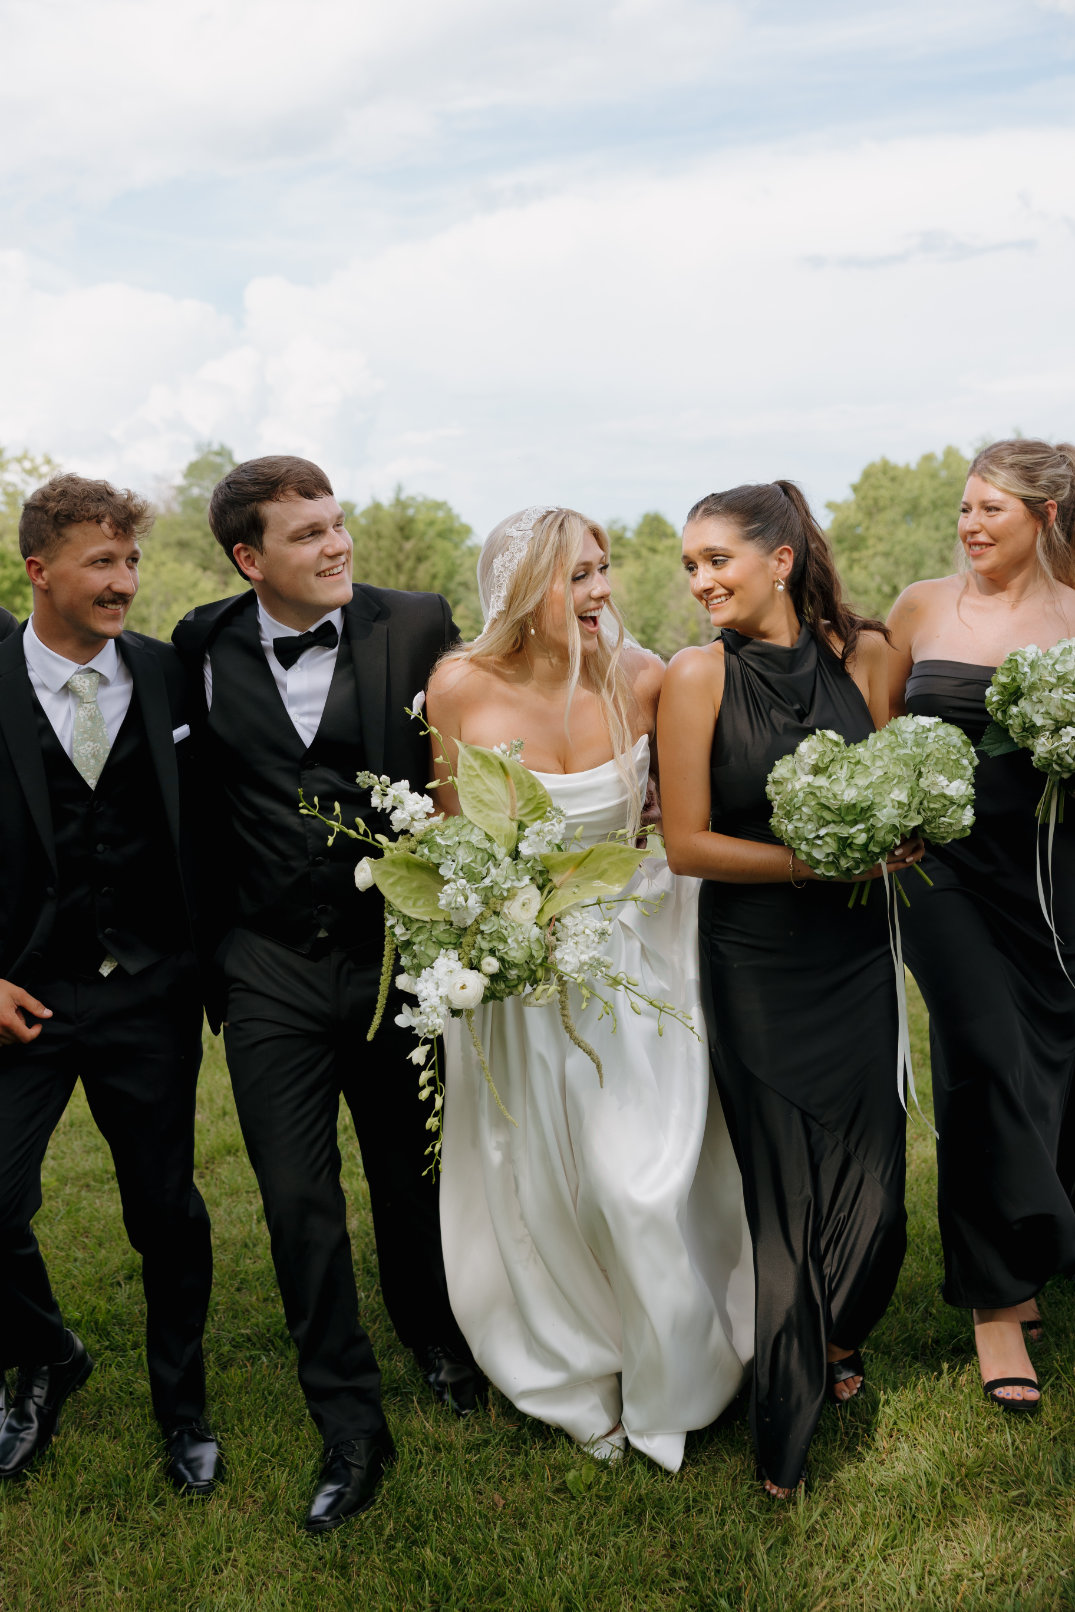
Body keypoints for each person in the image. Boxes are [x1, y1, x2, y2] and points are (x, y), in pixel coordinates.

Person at [171, 456, 483, 1535]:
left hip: (392, 958)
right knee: (298, 1201)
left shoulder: (417, 619)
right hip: (264, 971)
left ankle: (437, 1336)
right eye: (307, 536)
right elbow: (192, 806)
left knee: (412, 1177)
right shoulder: (198, 643)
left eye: (337, 524)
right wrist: (217, 961)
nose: (337, 545)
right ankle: (349, 1423)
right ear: (250, 558)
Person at [429, 505, 753, 1471]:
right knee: (544, 1181)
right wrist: (503, 929)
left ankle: (675, 1379)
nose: (600, 591)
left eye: (602, 569)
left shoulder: (645, 677)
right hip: (521, 970)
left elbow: (672, 816)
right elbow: (451, 838)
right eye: (577, 575)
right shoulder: (457, 687)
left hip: (634, 952)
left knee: (637, 1180)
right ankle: (575, 1362)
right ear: (520, 590)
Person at [658, 481, 920, 1497]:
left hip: (855, 956)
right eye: (688, 565)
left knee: (880, 1191)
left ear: (778, 558)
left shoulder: (868, 655)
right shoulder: (694, 680)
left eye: (716, 558)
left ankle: (840, 1333)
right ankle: (786, 1423)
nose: (700, 581)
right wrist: (815, 865)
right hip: (756, 959)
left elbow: (895, 786)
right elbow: (686, 844)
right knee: (785, 1194)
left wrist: (896, 841)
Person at [0, 474, 218, 1495]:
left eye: (130, 560)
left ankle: (184, 1408)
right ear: (38, 571)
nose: (124, 580)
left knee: (164, 1210)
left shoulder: (171, 676)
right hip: (22, 994)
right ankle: (46, 1355)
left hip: (147, 992)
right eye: (102, 561)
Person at [887, 438, 1075, 1414]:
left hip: (1048, 876)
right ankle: (996, 1303)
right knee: (981, 1052)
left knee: (1044, 1056)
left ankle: (1027, 1243)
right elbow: (867, 728)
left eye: (988, 510)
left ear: (1042, 518)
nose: (967, 524)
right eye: (963, 507)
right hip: (937, 874)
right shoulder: (918, 606)